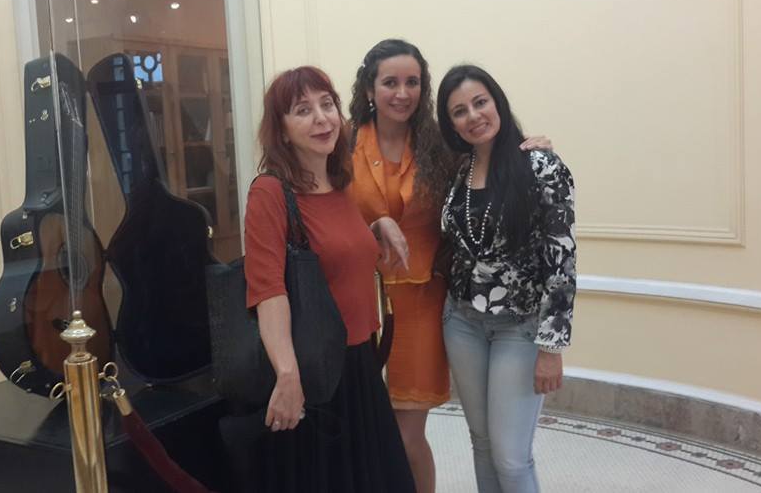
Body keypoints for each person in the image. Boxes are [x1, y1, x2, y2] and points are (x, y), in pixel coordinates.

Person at [347, 39, 552, 493]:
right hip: (357, 303)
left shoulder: (441, 146)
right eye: (390, 82)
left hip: (422, 303)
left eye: (413, 82)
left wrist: (531, 146)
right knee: (366, 431)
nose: (402, 93)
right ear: (369, 88)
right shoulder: (343, 144)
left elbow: (491, 159)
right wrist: (373, 224)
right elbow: (327, 210)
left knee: (406, 436)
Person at [243, 65, 416, 492]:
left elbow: (331, 250)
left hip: (358, 363)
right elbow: (268, 290)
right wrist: (288, 375)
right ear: (282, 131)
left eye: (327, 105)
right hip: (313, 372)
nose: (322, 119)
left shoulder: (339, 185)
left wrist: (376, 227)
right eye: (303, 110)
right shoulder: (270, 191)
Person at [435, 64, 576, 493]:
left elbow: (562, 260)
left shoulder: (540, 165)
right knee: (481, 444)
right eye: (459, 111)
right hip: (462, 322)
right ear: (451, 123)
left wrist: (551, 348)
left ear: (497, 102)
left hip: (519, 327)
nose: (473, 116)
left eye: (480, 102)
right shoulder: (457, 170)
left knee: (512, 459)